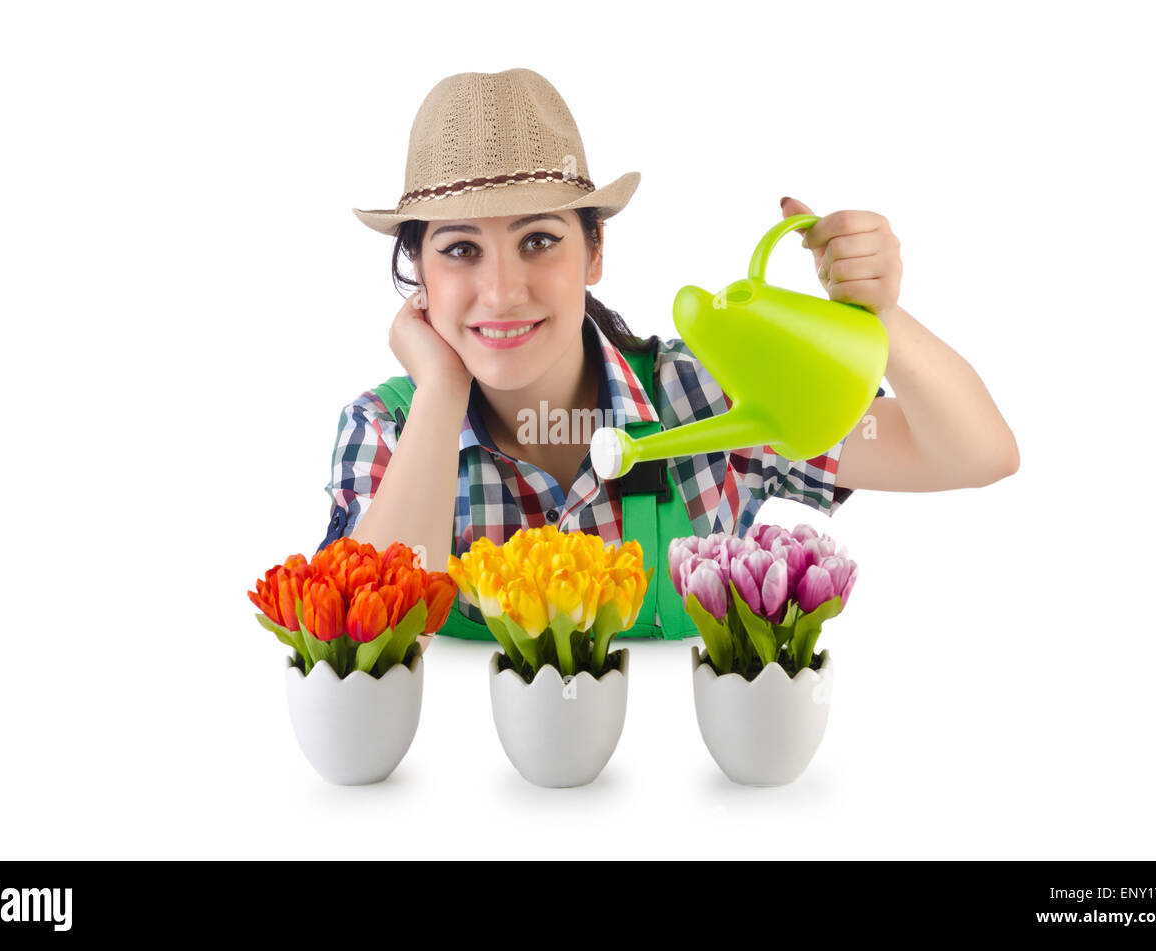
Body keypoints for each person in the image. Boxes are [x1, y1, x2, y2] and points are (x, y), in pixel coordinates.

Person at [320, 68, 1020, 651]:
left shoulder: (710, 403)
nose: (503, 292)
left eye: (538, 240)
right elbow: (360, 644)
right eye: (460, 249)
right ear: (419, 272)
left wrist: (880, 318)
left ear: (595, 252)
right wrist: (441, 393)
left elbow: (976, 452)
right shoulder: (386, 430)